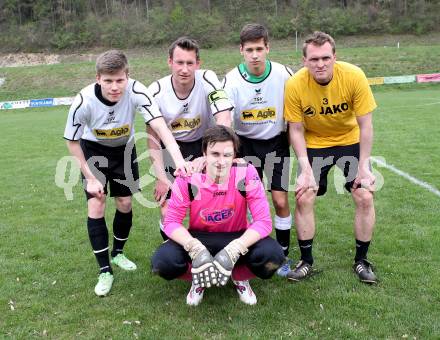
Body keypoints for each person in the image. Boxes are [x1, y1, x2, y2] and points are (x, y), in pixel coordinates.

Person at [64, 50, 190, 296]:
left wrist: (179, 161)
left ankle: (119, 253)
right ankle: (105, 271)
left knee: (124, 203)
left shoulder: (137, 90)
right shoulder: (84, 100)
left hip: (124, 150)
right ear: (98, 78)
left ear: (127, 76)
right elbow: (72, 142)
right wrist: (90, 177)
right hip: (94, 152)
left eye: (119, 80)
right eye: (108, 81)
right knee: (96, 204)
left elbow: (160, 127)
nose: (114, 87)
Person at [151, 126, 285, 306]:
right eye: (215, 154)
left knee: (272, 256)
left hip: (236, 235)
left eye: (227, 155)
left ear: (234, 155)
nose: (221, 161)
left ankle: (239, 276)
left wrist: (236, 248)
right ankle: (198, 277)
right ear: (204, 153)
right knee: (163, 263)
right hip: (200, 236)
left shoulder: (246, 173)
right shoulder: (189, 177)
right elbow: (171, 223)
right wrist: (194, 247)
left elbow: (264, 222)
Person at [284, 31, 378, 284]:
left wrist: (365, 166)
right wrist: (304, 169)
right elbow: (295, 129)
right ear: (304, 61)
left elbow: (366, 125)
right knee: (304, 195)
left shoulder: (354, 76)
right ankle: (306, 261)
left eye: (326, 57)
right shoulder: (295, 84)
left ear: (335, 57)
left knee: (364, 195)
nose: (320, 64)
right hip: (315, 143)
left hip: (350, 139)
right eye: (314, 59)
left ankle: (362, 260)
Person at [223, 24, 294, 277]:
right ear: (241, 50)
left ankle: (283, 254)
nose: (255, 55)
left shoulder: (284, 73)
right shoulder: (230, 80)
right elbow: (225, 120)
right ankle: (246, 252)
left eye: (259, 49)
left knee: (280, 199)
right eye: (250, 49)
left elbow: (294, 110)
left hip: (276, 143)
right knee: (246, 203)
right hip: (245, 145)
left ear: (267, 48)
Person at [147, 37, 233, 239]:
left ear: (198, 64)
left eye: (189, 63)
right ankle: (173, 248)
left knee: (213, 199)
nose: (184, 69)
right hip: (172, 147)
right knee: (167, 205)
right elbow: (152, 138)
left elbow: (224, 117)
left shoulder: (208, 78)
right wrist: (160, 177)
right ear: (170, 62)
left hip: (206, 142)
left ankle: (217, 242)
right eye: (179, 62)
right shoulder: (156, 91)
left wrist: (208, 154)